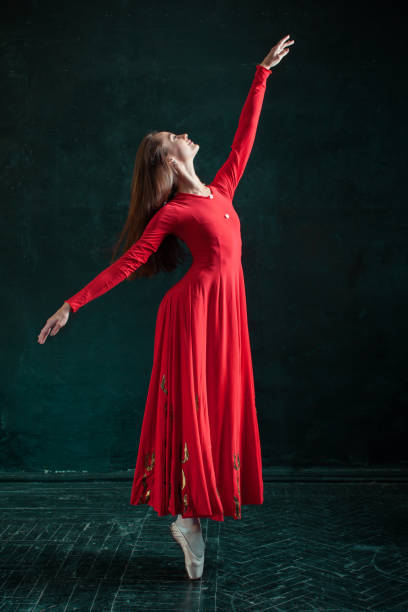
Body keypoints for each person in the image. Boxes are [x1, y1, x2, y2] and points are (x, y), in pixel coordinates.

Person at [37, 34, 295, 580]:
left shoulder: (220, 190)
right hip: (192, 315)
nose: (183, 133)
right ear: (167, 158)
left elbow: (244, 140)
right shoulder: (173, 212)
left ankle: (193, 517)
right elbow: (127, 265)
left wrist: (261, 74)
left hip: (224, 314)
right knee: (193, 412)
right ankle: (184, 517)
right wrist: (72, 304)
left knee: (220, 406)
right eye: (172, 135)